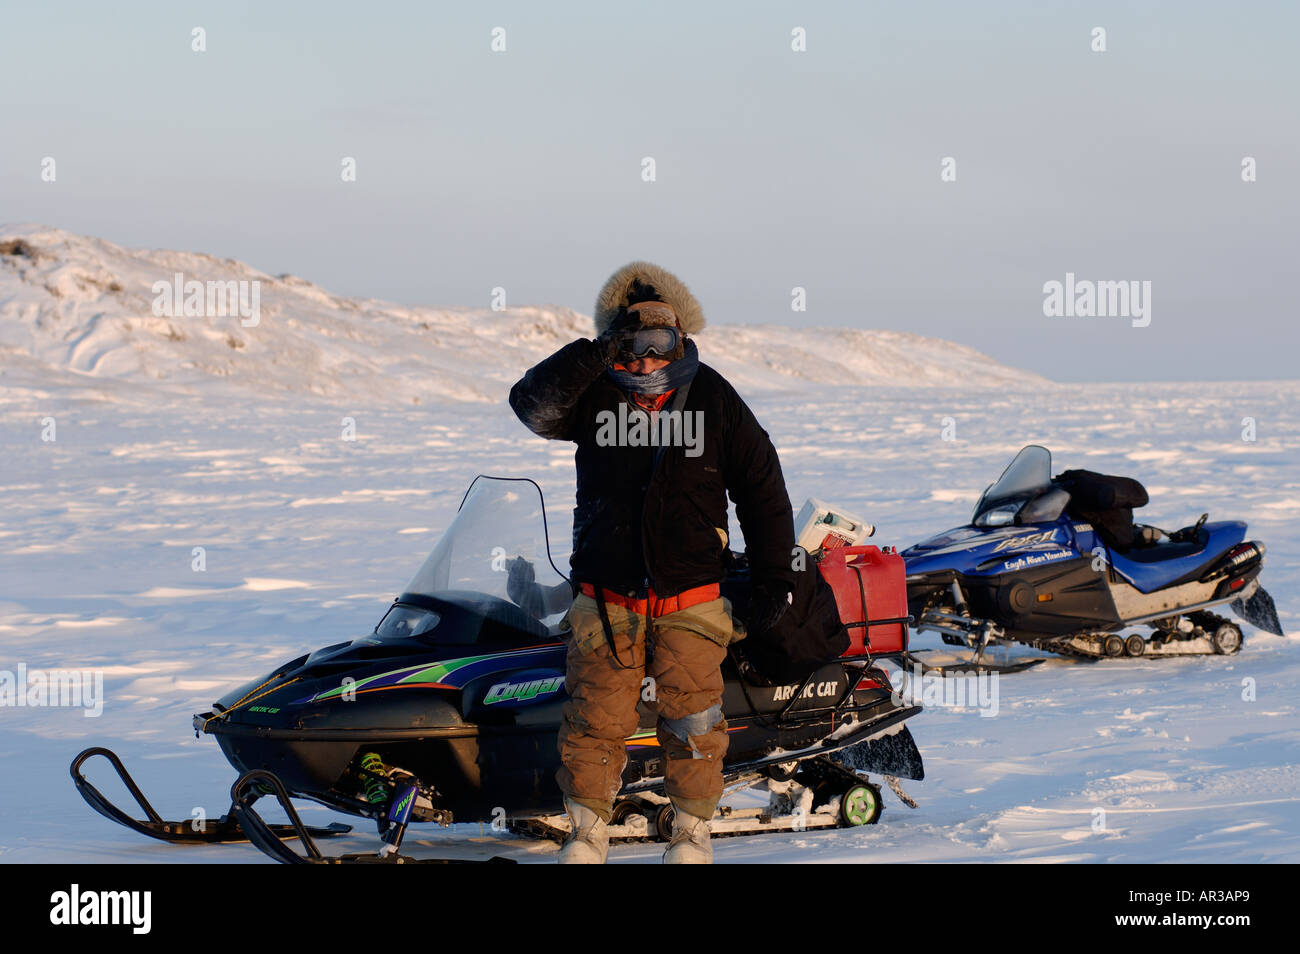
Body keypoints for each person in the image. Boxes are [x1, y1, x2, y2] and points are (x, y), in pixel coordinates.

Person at [508, 261, 796, 863]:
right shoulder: (592, 395)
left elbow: (763, 490)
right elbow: (531, 407)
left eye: (658, 345)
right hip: (606, 599)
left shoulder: (713, 397)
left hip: (690, 594)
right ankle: (588, 834)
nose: (644, 360)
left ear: (681, 340)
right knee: (593, 721)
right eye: (630, 346)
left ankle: (691, 834)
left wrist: (774, 576)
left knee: (694, 720)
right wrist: (591, 355)